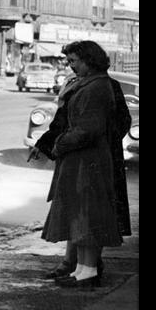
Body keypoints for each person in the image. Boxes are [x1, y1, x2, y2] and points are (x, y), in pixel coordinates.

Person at [30, 40, 131, 288]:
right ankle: (78, 267)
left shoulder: (100, 86)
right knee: (79, 215)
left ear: (88, 60)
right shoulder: (79, 84)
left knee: (88, 216)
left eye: (74, 61)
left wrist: (95, 145)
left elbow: (100, 126)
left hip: (90, 159)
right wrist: (47, 142)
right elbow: (62, 121)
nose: (70, 66)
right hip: (80, 158)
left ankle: (86, 269)